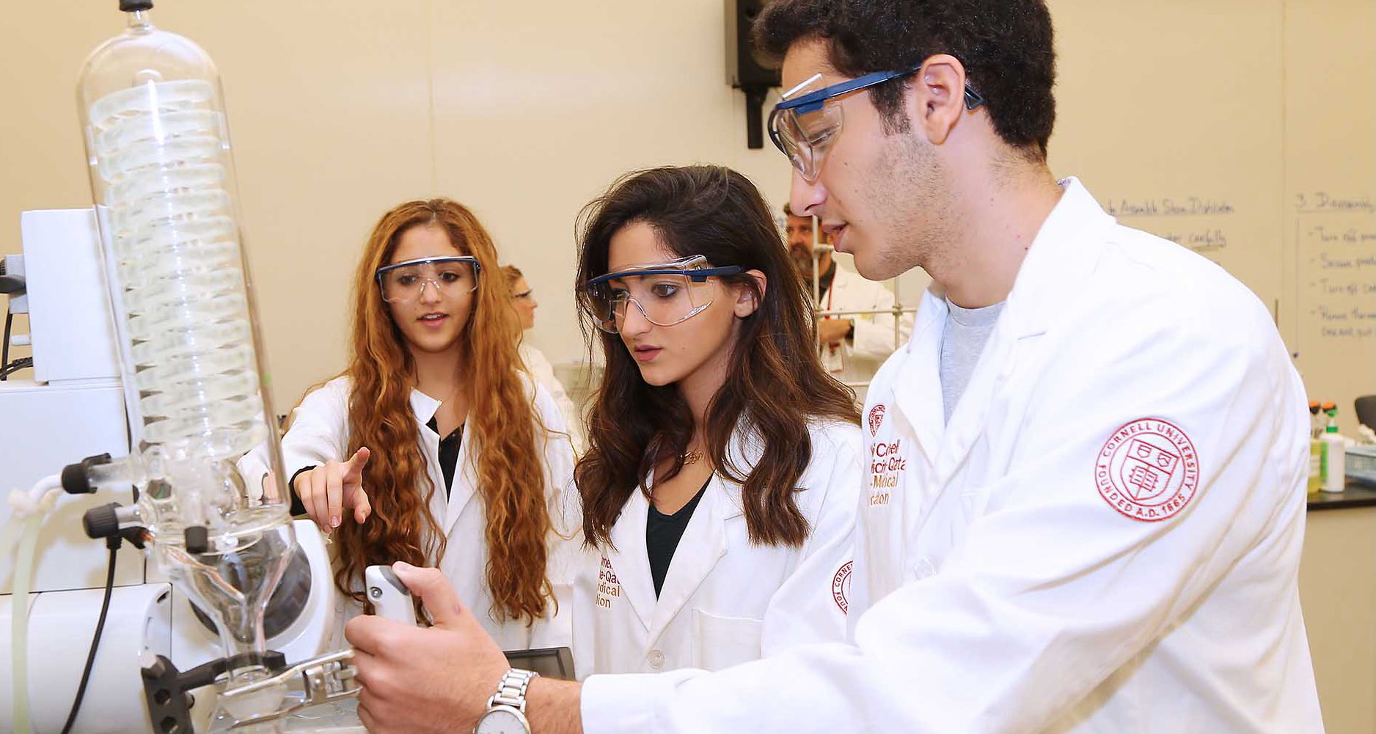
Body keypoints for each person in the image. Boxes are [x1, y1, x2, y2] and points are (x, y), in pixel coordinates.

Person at [344, 1, 1322, 731]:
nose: (801, 193)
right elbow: (845, 662)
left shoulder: (1167, 340)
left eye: (814, 134)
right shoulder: (904, 388)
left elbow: (937, 692)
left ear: (936, 98)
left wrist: (517, 702)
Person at [567, 166, 863, 678]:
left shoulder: (832, 463)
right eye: (619, 296)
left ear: (746, 292)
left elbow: (820, 688)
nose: (631, 324)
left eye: (664, 290)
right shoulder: (617, 461)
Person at [279, 198, 578, 651]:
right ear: (381, 293)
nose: (430, 296)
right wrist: (309, 479)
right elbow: (282, 460)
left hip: (503, 666)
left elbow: (565, 556)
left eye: (449, 276)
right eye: (408, 279)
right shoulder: (345, 402)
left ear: (478, 284)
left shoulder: (528, 400)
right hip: (385, 672)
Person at [784, 203, 911, 390]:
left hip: (854, 404)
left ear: (829, 237)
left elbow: (906, 339)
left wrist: (850, 329)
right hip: (797, 404)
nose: (794, 240)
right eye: (789, 231)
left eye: (805, 230)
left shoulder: (867, 290)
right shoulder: (778, 294)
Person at [502, 264, 585, 451]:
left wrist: (574, 454)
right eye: (524, 295)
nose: (534, 304)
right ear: (501, 303)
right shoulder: (485, 364)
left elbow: (562, 409)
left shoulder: (534, 357)